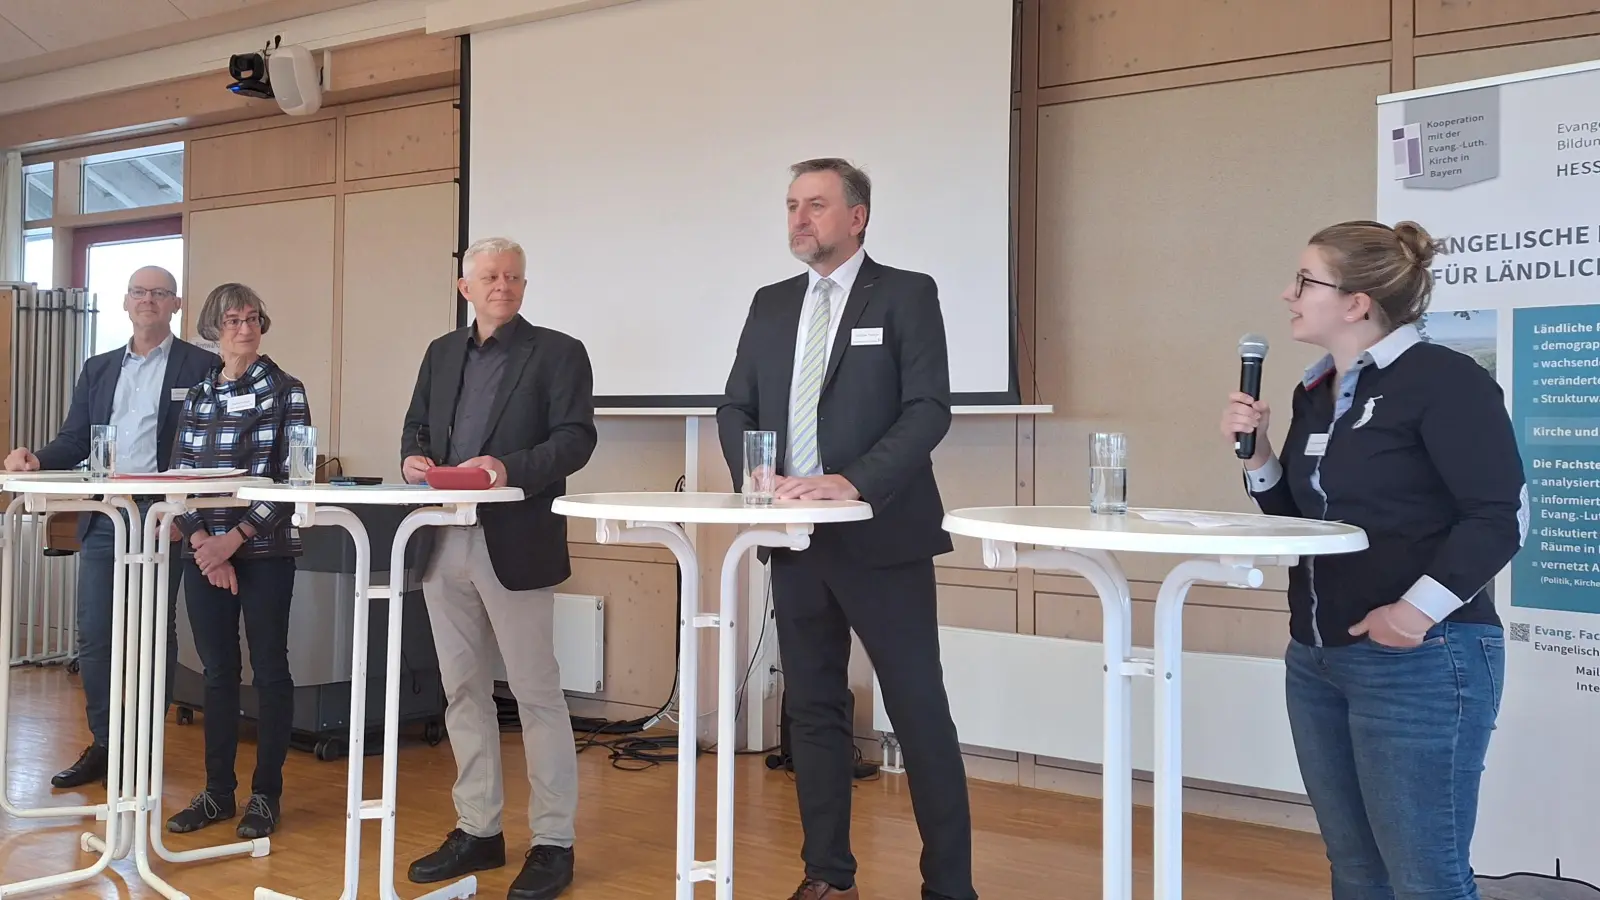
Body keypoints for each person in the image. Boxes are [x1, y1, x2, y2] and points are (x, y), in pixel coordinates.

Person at [1219, 220, 1525, 900]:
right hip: (1317, 658)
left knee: (1425, 878)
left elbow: (1500, 518)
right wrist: (1261, 453)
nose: (1287, 294)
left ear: (1357, 303)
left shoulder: (1445, 380)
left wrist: (1412, 615)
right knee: (1356, 870)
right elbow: (1304, 523)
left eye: (1305, 281)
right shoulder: (1316, 391)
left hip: (1421, 659)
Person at [717, 158, 975, 900]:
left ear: (856, 217)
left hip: (882, 536)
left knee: (919, 710)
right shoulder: (770, 304)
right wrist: (756, 470)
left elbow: (929, 408)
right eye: (792, 205)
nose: (800, 219)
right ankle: (828, 876)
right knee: (813, 712)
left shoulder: (905, 294)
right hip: (795, 544)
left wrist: (853, 480)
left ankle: (950, 887)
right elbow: (735, 406)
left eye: (817, 205)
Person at [400, 236, 596, 900]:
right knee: (461, 690)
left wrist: (510, 470)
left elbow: (576, 440)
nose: (502, 286)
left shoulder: (559, 353)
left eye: (513, 276)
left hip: (515, 537)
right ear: (465, 288)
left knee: (536, 695)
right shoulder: (441, 352)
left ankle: (553, 841)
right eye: (489, 276)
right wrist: (413, 462)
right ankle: (478, 827)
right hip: (441, 537)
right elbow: (416, 431)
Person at [3, 265, 217, 790]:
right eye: (140, 292)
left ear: (176, 304)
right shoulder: (98, 368)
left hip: (163, 515)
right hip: (106, 513)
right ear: (125, 303)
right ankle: (105, 744)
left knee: (151, 633)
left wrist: (185, 511)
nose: (148, 300)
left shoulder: (202, 365)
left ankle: (143, 746)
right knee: (96, 634)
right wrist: (37, 460)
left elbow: (204, 446)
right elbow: (75, 440)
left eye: (159, 293)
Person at [164, 283, 310, 840]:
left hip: (265, 550)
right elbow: (178, 477)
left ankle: (265, 796)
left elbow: (294, 480)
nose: (244, 329)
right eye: (232, 320)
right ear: (212, 329)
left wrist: (237, 537)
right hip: (205, 554)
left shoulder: (286, 390)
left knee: (270, 670)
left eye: (253, 318)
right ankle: (217, 793)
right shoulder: (197, 395)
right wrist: (204, 542)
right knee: (218, 673)